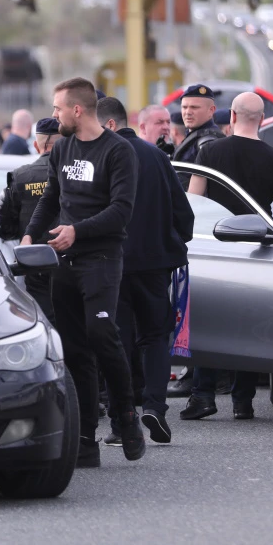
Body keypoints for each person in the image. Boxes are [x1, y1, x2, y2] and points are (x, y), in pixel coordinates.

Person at [22, 77, 145, 467]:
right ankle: (85, 439)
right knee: (74, 350)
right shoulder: (63, 150)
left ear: (77, 110)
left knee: (101, 335)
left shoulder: (118, 152)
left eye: (58, 108)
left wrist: (78, 231)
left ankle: (127, 415)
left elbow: (121, 211)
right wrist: (29, 236)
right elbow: (50, 201)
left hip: (102, 260)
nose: (53, 115)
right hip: (65, 265)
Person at [183, 92, 273, 421]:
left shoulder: (208, 151)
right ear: (261, 118)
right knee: (248, 321)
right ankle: (242, 401)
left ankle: (202, 396)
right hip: (255, 250)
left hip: (214, 249)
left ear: (231, 116)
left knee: (207, 316)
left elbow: (194, 200)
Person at [97, 97, 194, 446]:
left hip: (112, 266)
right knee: (155, 337)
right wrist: (171, 244)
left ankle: (121, 420)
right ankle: (155, 406)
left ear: (108, 125)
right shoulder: (158, 158)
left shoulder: (102, 158)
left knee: (117, 342)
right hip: (154, 266)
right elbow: (184, 214)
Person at [0, 117, 62, 320]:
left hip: (35, 264)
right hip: (71, 262)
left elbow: (6, 226)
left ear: (35, 145)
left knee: (42, 319)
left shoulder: (20, 176)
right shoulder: (72, 174)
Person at [172, 84, 225, 167]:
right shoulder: (193, 136)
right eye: (184, 107)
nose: (188, 112)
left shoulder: (209, 142)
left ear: (211, 110)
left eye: (194, 107)